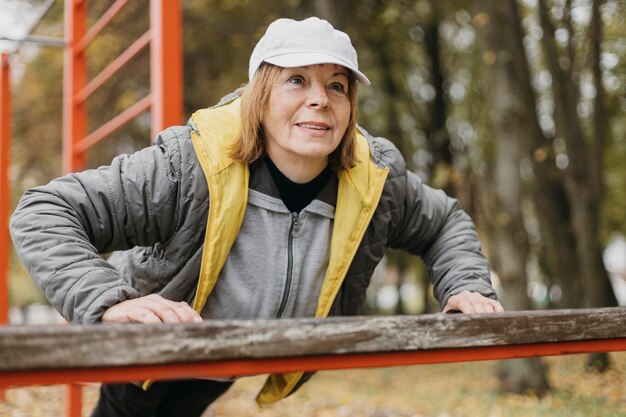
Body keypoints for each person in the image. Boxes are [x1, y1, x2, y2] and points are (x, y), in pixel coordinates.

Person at [10, 16, 503, 417]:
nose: (319, 98)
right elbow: (44, 210)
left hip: (220, 362)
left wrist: (466, 285)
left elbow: (442, 222)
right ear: (260, 96)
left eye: (337, 85)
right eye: (296, 80)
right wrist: (106, 300)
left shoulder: (375, 180)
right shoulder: (189, 168)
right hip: (149, 351)